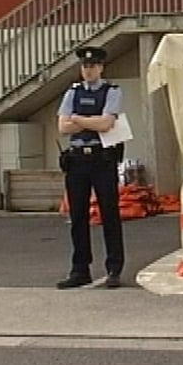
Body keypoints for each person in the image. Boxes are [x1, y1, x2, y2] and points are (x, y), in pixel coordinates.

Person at [56, 46, 125, 289]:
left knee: (109, 214)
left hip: (101, 159)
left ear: (101, 67)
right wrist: (89, 122)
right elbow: (63, 128)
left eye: (93, 66)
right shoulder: (72, 93)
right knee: (77, 217)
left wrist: (77, 119)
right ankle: (80, 269)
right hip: (77, 161)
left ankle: (114, 269)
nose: (88, 70)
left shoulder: (111, 91)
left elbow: (106, 123)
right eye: (85, 66)